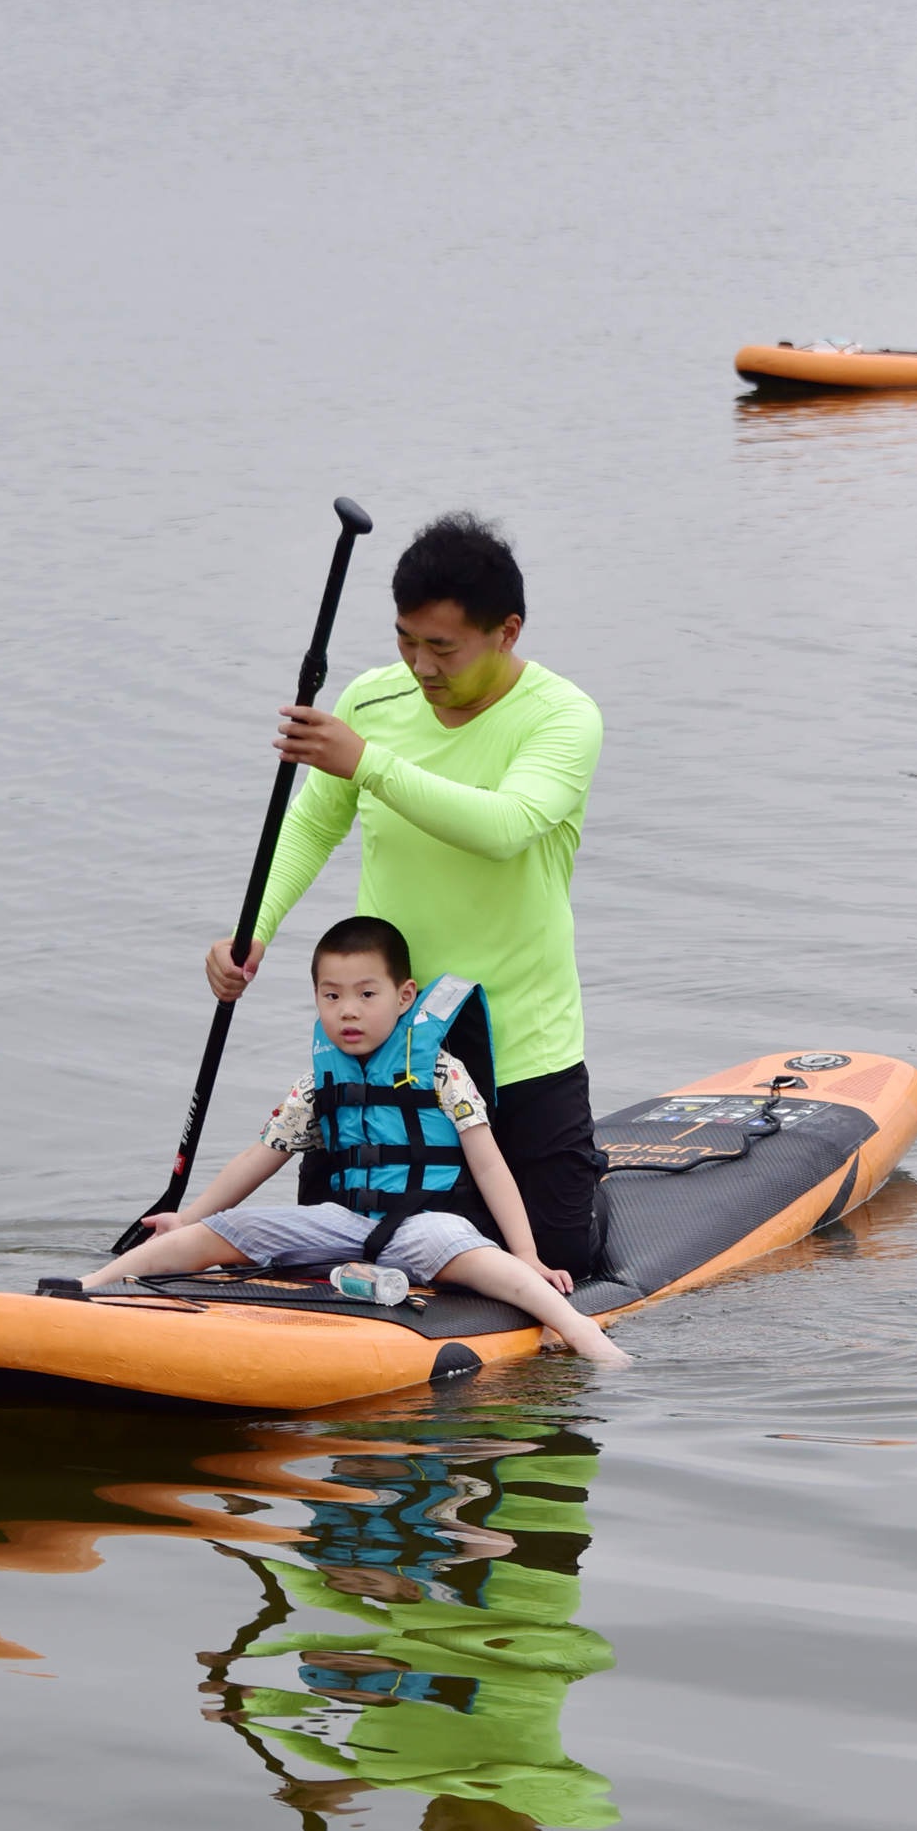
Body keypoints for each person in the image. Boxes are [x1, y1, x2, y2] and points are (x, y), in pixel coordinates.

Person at [205, 511, 607, 1277]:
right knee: (319, 1253)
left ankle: (584, 1180)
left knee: (564, 1259)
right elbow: (313, 826)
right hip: (383, 1046)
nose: (421, 666)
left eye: (443, 647)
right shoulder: (371, 702)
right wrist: (252, 930)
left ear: (507, 632)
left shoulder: (563, 716)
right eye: (405, 639)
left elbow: (505, 827)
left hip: (523, 1052)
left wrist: (368, 763)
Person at [82, 917, 628, 1365]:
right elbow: (261, 1157)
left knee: (498, 1269)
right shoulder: (316, 1082)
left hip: (425, 1227)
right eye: (332, 995)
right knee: (221, 1231)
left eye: (367, 994)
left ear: (403, 995)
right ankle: (92, 1286)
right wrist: (193, 1215)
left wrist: (527, 1253)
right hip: (344, 1225)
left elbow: (488, 1166)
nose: (348, 1010)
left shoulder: (439, 1071)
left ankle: (583, 1336)